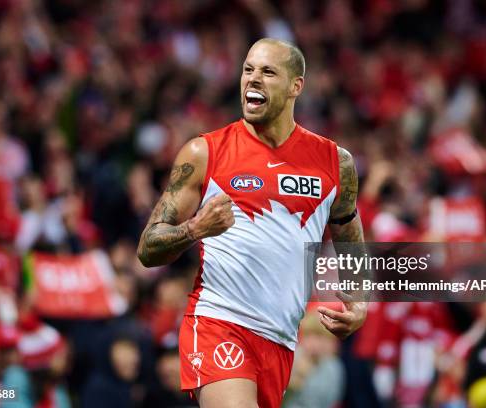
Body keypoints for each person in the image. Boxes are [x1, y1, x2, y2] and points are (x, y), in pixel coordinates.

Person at [137, 38, 367, 408]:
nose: (252, 79)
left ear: (296, 86)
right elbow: (148, 247)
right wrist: (195, 229)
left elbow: (347, 228)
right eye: (248, 70)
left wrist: (358, 299)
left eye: (267, 71)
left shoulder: (334, 162)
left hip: (279, 340)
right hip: (217, 322)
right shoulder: (205, 152)